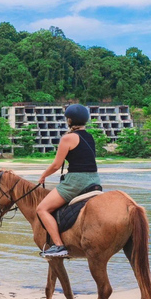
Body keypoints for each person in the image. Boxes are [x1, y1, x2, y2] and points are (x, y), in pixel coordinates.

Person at [36, 104, 101, 258]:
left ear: (70, 120)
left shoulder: (68, 138)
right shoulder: (90, 137)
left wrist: (44, 175)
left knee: (42, 209)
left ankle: (59, 246)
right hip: (94, 179)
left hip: (76, 181)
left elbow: (57, 165)